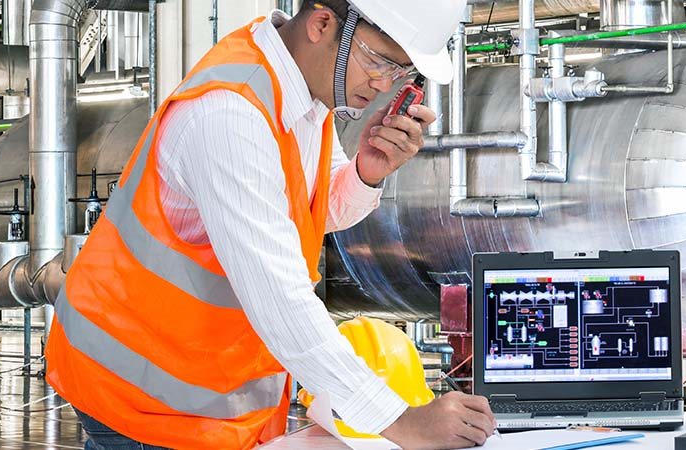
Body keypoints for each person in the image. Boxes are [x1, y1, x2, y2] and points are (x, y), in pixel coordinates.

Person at [45, 1, 496, 449]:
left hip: (203, 385)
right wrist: (399, 420)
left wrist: (366, 172)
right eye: (378, 61)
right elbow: (279, 298)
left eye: (399, 73)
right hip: (141, 388)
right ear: (322, 23)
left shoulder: (305, 95)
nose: (382, 85)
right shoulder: (229, 115)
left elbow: (315, 210)